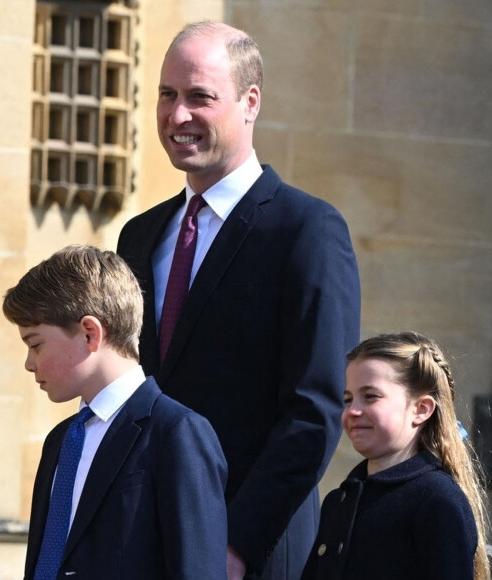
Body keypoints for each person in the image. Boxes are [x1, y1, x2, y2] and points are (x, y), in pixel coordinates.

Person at [117, 20, 361, 580]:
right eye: (167, 95)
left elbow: (314, 409)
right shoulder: (140, 236)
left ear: (250, 102)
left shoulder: (307, 230)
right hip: (143, 543)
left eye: (200, 97)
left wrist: (233, 545)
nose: (178, 116)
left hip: (250, 552)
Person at [2, 244, 228, 580]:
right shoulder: (59, 442)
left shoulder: (176, 433)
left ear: (90, 333)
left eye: (36, 344)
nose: (29, 363)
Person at [302, 331, 490, 580]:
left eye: (371, 396)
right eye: (348, 400)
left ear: (420, 409)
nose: (353, 410)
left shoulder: (436, 499)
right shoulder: (339, 501)